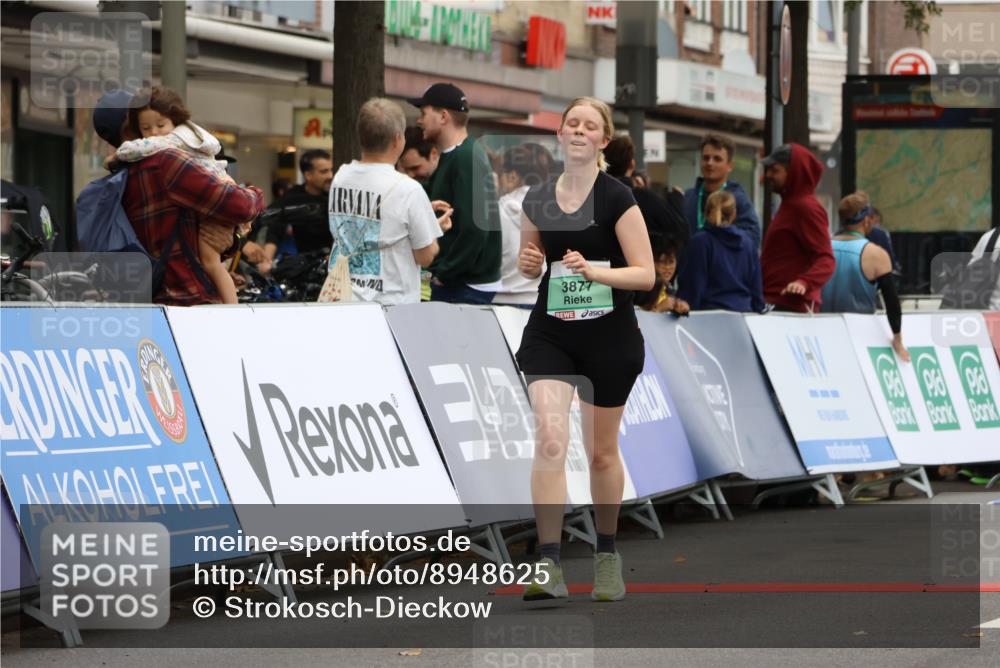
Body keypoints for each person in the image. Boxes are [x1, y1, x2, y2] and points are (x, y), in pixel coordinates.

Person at [515, 96, 655, 603]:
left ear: (602, 139)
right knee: (550, 441)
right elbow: (530, 263)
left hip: (609, 337)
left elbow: (646, 273)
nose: (578, 131)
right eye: (571, 123)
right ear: (560, 134)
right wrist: (532, 263)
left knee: (600, 454)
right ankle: (548, 565)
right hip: (551, 332)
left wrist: (595, 271)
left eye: (588, 126)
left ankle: (606, 555)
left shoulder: (617, 198)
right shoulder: (537, 197)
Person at [92, 89, 264, 306]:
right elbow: (240, 206)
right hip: (190, 300)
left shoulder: (119, 178)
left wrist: (230, 240)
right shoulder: (166, 161)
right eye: (147, 126)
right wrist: (255, 196)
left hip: (148, 301)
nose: (155, 132)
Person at [329, 98, 452, 305]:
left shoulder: (341, 177)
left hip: (343, 299)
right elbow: (425, 256)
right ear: (397, 139)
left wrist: (424, 219)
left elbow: (367, 221)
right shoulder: (409, 189)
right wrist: (431, 228)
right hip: (390, 306)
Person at [409, 83, 502, 304]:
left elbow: (476, 227)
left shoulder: (465, 157)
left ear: (443, 116)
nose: (419, 120)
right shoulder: (457, 155)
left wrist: (446, 273)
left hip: (464, 285)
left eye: (423, 113)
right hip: (462, 281)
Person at [604, 136, 690, 314]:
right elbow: (681, 231)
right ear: (632, 165)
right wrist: (677, 201)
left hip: (596, 289)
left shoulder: (590, 199)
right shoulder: (641, 198)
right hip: (638, 290)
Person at [820, 191, 910, 361]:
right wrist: (897, 339)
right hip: (860, 338)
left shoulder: (822, 248)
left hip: (825, 332)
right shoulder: (876, 255)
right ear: (867, 220)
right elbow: (892, 302)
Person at [760, 143, 835, 313]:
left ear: (793, 172)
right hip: (779, 303)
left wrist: (804, 282)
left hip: (792, 307)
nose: (769, 175)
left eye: (775, 170)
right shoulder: (789, 205)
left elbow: (826, 259)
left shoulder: (805, 208)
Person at [677, 190, 765, 313]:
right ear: (734, 214)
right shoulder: (748, 243)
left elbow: (693, 287)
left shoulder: (700, 242)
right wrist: (758, 310)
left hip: (708, 317)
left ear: (706, 212)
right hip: (744, 315)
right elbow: (756, 288)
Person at [494, 144, 554, 307]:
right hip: (542, 300)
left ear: (512, 176)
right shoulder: (554, 210)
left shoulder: (496, 211)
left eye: (501, 174)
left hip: (500, 300)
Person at [683, 133, 761, 249]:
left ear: (730, 165)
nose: (710, 163)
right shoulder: (687, 197)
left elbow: (751, 240)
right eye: (706, 158)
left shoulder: (738, 200)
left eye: (717, 159)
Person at [262, 149, 334, 261]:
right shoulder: (293, 198)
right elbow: (274, 230)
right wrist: (266, 260)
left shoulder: (336, 196)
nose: (330, 175)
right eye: (324, 171)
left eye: (331, 170)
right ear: (308, 175)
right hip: (305, 268)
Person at [866, 207, 900, 274]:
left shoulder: (882, 233)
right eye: (875, 222)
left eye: (878, 224)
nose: (876, 226)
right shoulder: (882, 233)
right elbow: (889, 252)